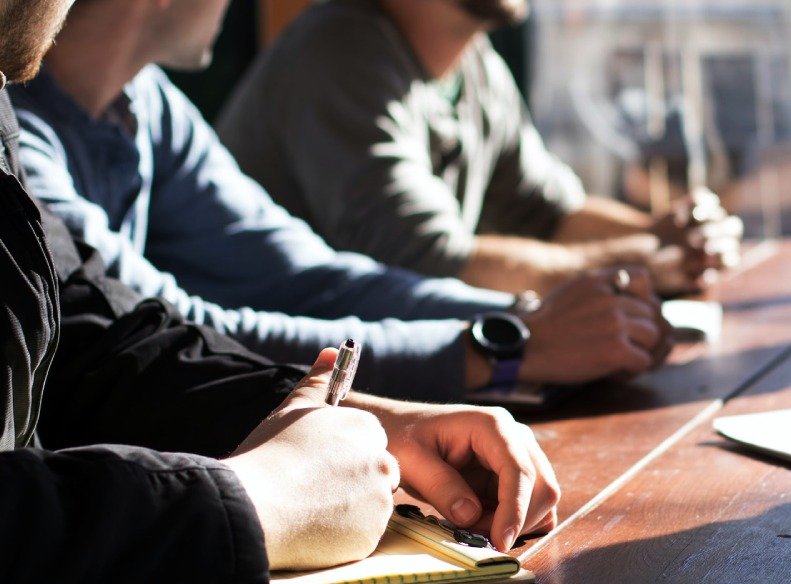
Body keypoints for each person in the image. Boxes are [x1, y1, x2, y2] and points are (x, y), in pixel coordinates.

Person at [0, 1, 558, 584]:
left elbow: (94, 337)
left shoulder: (103, 103)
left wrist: (345, 415)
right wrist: (256, 501)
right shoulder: (338, 51)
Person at [12, 0, 671, 405]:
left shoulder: (144, 102)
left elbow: (307, 275)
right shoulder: (19, 144)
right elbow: (173, 335)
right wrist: (505, 347)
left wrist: (518, 314)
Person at [217, 0, 743, 298]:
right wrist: (645, 261)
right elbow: (426, 261)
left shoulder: (474, 61)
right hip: (280, 390)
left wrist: (671, 233)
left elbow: (549, 212)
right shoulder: (338, 52)